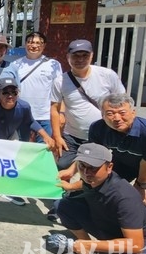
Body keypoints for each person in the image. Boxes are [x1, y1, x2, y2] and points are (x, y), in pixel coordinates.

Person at [51, 143, 146, 254]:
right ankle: (90, 253)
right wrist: (69, 187)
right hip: (106, 225)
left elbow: (136, 244)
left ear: (109, 167)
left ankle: (94, 250)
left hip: (140, 241)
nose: (87, 172)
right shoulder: (92, 180)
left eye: (93, 168)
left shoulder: (124, 197)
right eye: (82, 166)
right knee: (62, 206)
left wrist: (92, 244)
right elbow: (83, 184)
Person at [59, 93, 146, 206]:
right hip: (124, 163)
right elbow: (90, 156)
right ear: (102, 115)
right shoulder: (98, 128)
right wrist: (71, 171)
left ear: (133, 113)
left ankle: (139, 225)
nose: (117, 118)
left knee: (135, 201)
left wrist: (141, 185)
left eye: (122, 113)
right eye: (110, 113)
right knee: (96, 193)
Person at [0, 77, 54, 207]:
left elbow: (31, 122)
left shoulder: (24, 106)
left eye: (14, 92)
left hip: (10, 137)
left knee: (14, 165)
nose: (10, 96)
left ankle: (9, 191)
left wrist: (46, 136)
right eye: (5, 92)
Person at [50, 39, 125, 170]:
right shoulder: (60, 81)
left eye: (84, 55)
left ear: (91, 56)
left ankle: (86, 190)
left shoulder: (107, 75)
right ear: (68, 57)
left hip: (103, 135)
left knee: (95, 169)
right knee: (61, 165)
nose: (80, 60)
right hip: (72, 136)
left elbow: (123, 102)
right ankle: (65, 191)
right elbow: (54, 109)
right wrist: (57, 136)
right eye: (75, 56)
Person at [12, 32, 62, 142]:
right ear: (25, 44)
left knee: (44, 150)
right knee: (22, 150)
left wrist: (61, 113)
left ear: (44, 45)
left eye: (38, 43)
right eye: (30, 42)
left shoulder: (53, 65)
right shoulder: (16, 64)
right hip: (22, 116)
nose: (34, 46)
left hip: (44, 116)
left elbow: (59, 92)